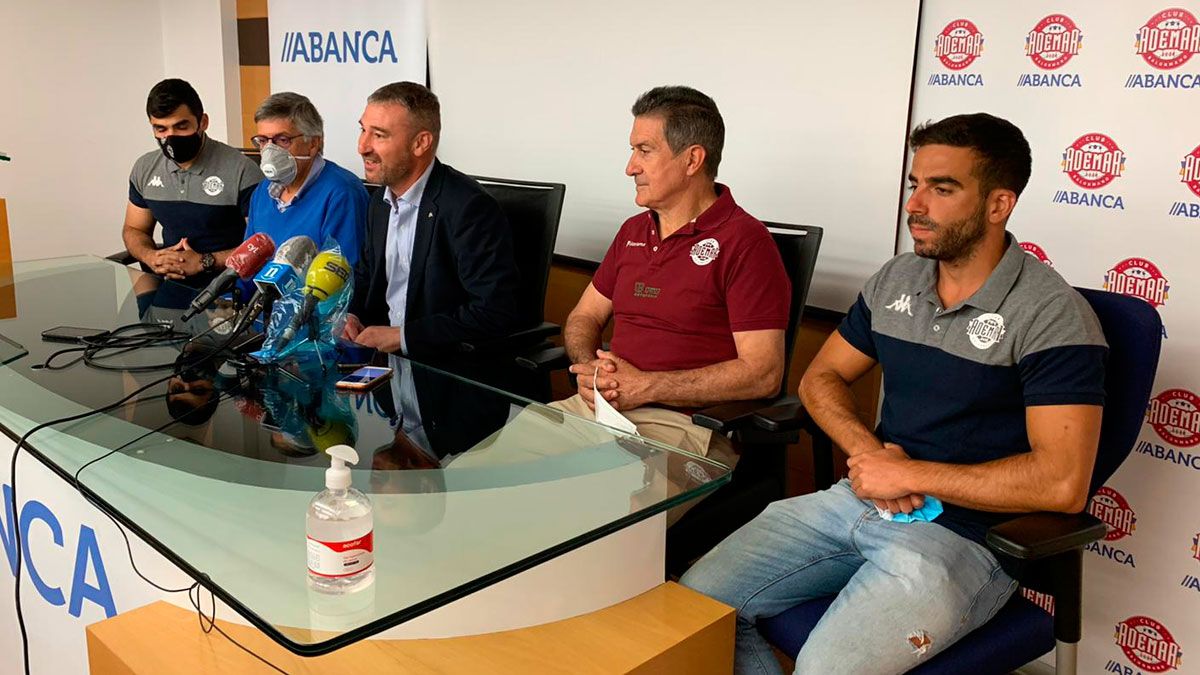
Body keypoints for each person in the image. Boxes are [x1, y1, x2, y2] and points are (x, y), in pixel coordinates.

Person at [681, 113, 1108, 675]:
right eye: (915, 184)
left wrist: (912, 475)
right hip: (860, 497)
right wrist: (870, 454)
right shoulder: (897, 279)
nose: (915, 203)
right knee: (695, 609)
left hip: (965, 540)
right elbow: (820, 378)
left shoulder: (1052, 315)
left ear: (999, 205)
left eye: (942, 188)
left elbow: (1062, 482)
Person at [556, 85, 790, 471]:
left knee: (588, 516)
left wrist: (646, 386)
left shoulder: (746, 242)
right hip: (596, 408)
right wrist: (590, 369)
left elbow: (763, 374)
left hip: (682, 428)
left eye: (644, 151)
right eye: (632, 151)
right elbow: (584, 317)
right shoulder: (632, 230)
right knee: (481, 473)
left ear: (692, 159)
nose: (630, 167)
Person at [345, 81, 521, 357]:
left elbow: (493, 310)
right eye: (363, 130)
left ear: (420, 143)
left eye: (378, 135)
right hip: (385, 366)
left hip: (447, 367)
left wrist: (402, 337)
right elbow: (367, 275)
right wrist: (352, 314)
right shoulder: (379, 202)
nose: (362, 146)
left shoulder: (469, 208)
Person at [123, 79, 264, 286]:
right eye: (160, 129)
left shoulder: (242, 170)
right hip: (170, 286)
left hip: (228, 289)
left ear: (203, 122)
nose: (170, 137)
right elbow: (134, 229)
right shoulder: (145, 168)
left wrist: (204, 262)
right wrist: (151, 257)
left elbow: (261, 245)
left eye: (181, 126)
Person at [245, 92, 368, 265]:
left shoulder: (343, 193)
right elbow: (247, 267)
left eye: (282, 140)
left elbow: (343, 277)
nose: (269, 151)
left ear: (312, 143)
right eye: (263, 141)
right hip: (259, 292)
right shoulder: (262, 192)